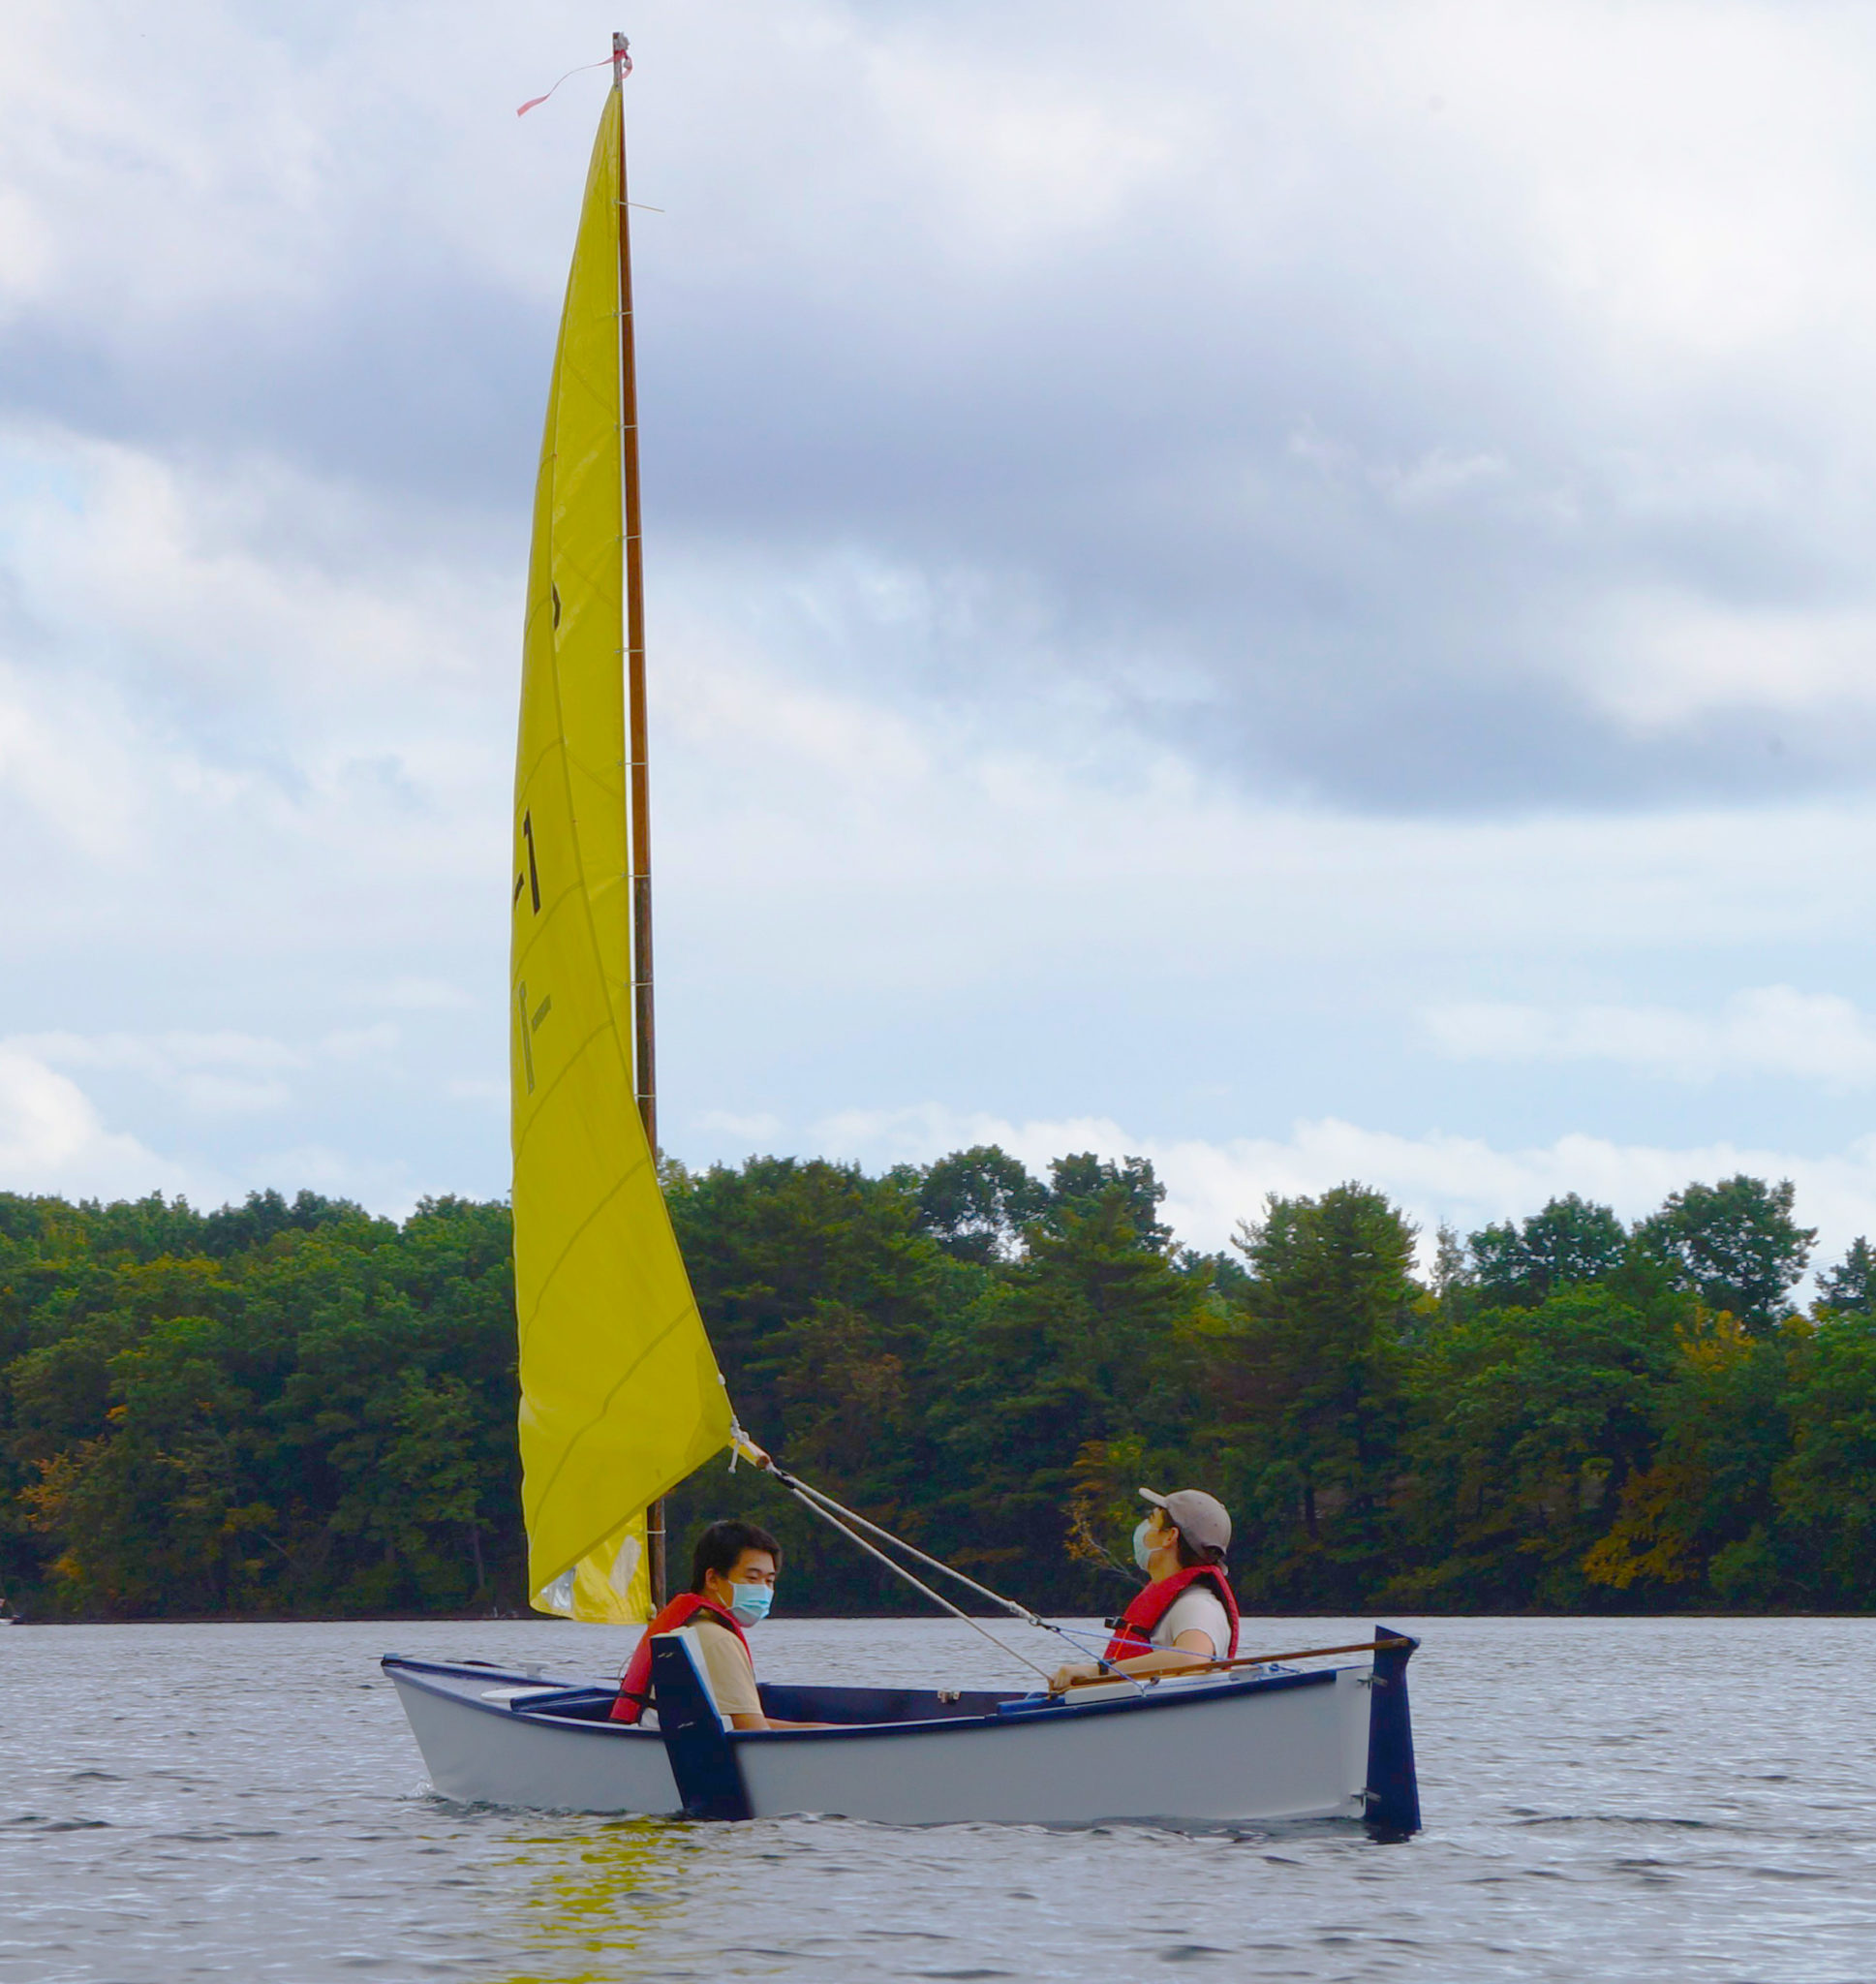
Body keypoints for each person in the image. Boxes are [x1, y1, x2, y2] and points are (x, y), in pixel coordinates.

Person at [610, 1518, 820, 1731]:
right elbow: (755, 1731)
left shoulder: (691, 1626)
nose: (762, 1590)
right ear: (712, 1579)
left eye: (769, 1581)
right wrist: (826, 1731)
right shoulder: (716, 1638)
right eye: (752, 1578)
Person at [1047, 1487, 1241, 1693]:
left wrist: (1096, 1672)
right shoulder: (1179, 1602)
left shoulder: (1197, 1604)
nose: (1143, 1529)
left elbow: (1192, 1657)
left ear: (1169, 1537)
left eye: (1152, 1520)